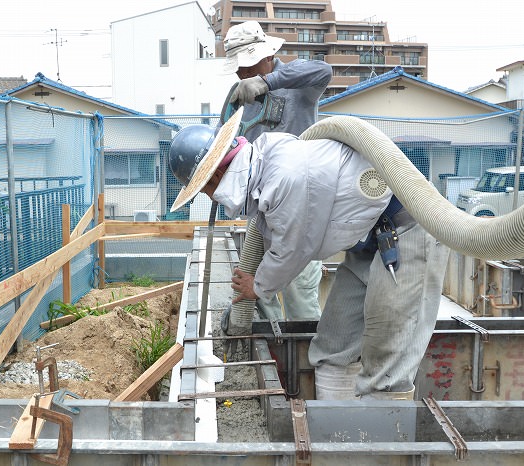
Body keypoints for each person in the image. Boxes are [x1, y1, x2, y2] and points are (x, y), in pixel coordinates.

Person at [168, 108, 449, 400]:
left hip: (409, 231)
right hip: (369, 243)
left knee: (387, 363)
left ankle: (381, 439)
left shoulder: (284, 176)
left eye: (204, 190)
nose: (209, 197)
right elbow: (275, 232)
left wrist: (258, 286)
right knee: (333, 347)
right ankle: (336, 433)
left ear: (214, 179)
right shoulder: (266, 165)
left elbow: (292, 249)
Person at [220, 20, 333, 325]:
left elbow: (324, 71)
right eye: (238, 67)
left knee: (299, 296)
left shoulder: (298, 86)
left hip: (302, 212)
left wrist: (269, 83)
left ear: (267, 57)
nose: (240, 73)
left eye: (246, 66)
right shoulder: (241, 96)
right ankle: (270, 354)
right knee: (257, 289)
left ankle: (306, 362)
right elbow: (227, 143)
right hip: (263, 211)